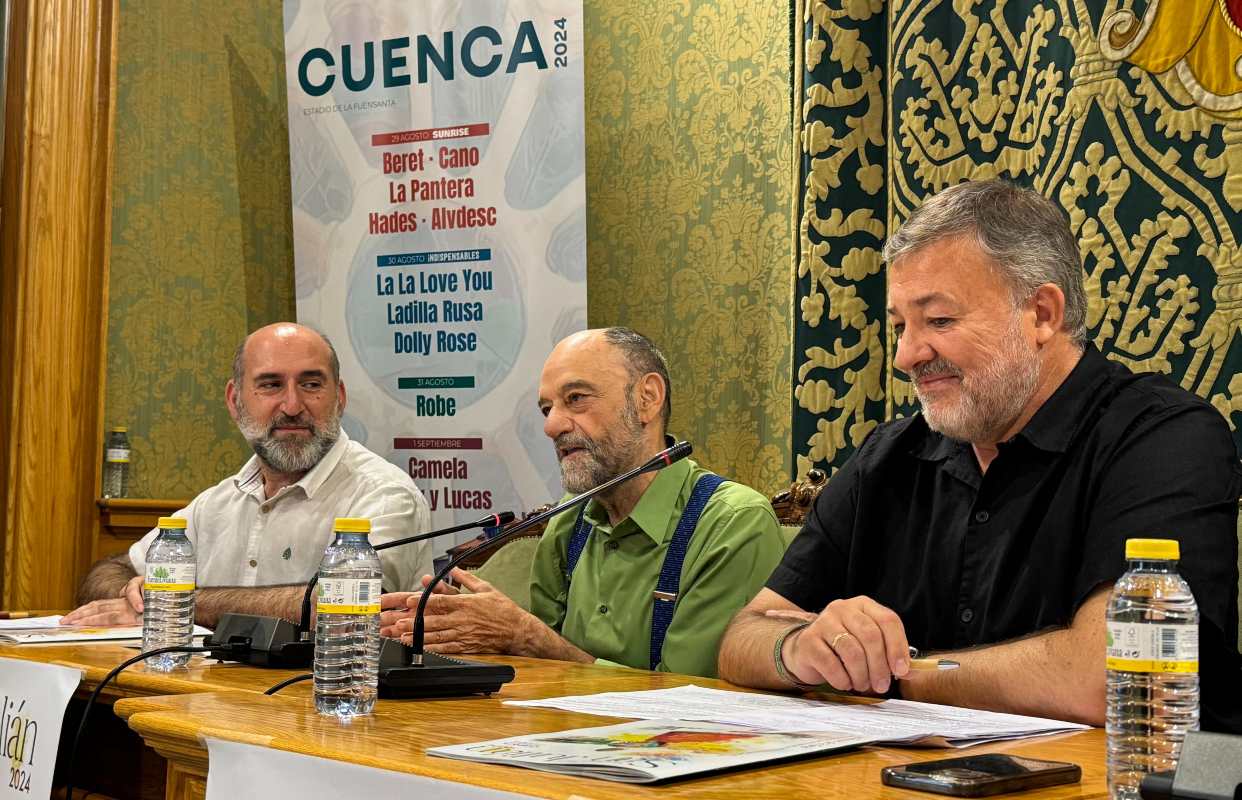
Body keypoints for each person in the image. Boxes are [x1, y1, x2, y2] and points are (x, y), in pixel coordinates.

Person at [718, 180, 1242, 731]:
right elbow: (741, 638)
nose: (906, 356)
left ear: (1041, 314)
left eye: (938, 321)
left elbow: (1110, 675)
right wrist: (801, 650)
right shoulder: (890, 455)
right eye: (900, 326)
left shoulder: (1162, 436)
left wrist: (898, 671)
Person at [381, 327, 784, 677]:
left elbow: (693, 699)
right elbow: (542, 674)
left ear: (647, 398)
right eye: (546, 408)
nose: (551, 426)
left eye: (575, 399)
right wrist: (473, 630)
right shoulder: (569, 521)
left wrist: (525, 637)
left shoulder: (732, 523)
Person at [64, 322, 433, 628]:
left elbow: (343, 608)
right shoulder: (218, 502)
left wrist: (175, 603)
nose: (291, 406)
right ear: (234, 400)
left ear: (339, 396)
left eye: (311, 384)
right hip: (213, 701)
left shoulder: (384, 494)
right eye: (271, 385)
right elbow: (116, 569)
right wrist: (132, 600)